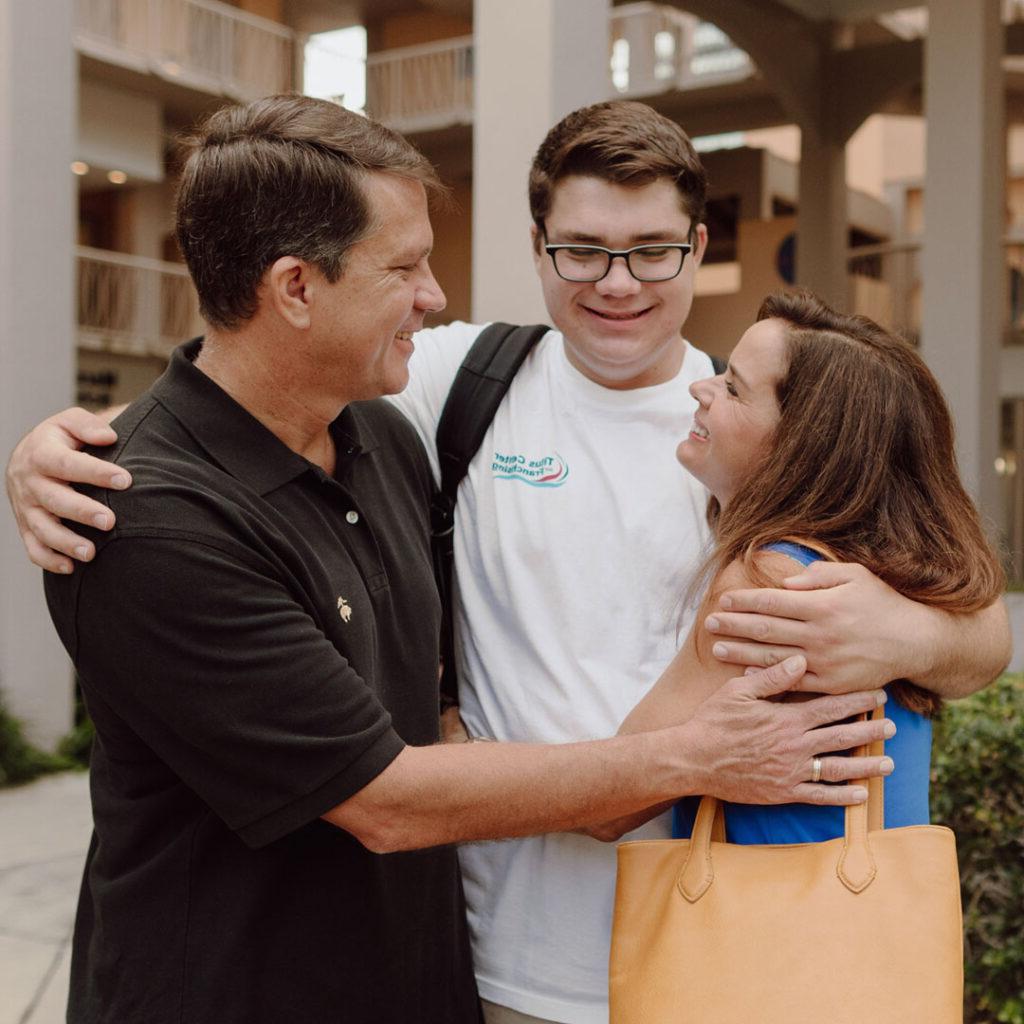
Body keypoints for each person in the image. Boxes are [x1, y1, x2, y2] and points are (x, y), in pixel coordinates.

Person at [5, 101, 1009, 1024]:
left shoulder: (763, 432)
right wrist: (61, 446)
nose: (616, 282)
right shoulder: (442, 390)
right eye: (581, 250)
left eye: (652, 252)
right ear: (539, 249)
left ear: (697, 249)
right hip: (488, 956)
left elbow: (971, 618)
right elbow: (238, 390)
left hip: (698, 947)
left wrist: (914, 631)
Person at [618, 291, 1004, 850]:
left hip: (765, 921)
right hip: (872, 921)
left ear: (799, 445)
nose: (701, 390)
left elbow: (612, 805)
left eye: (732, 388)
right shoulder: (898, 568)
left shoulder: (772, 579)